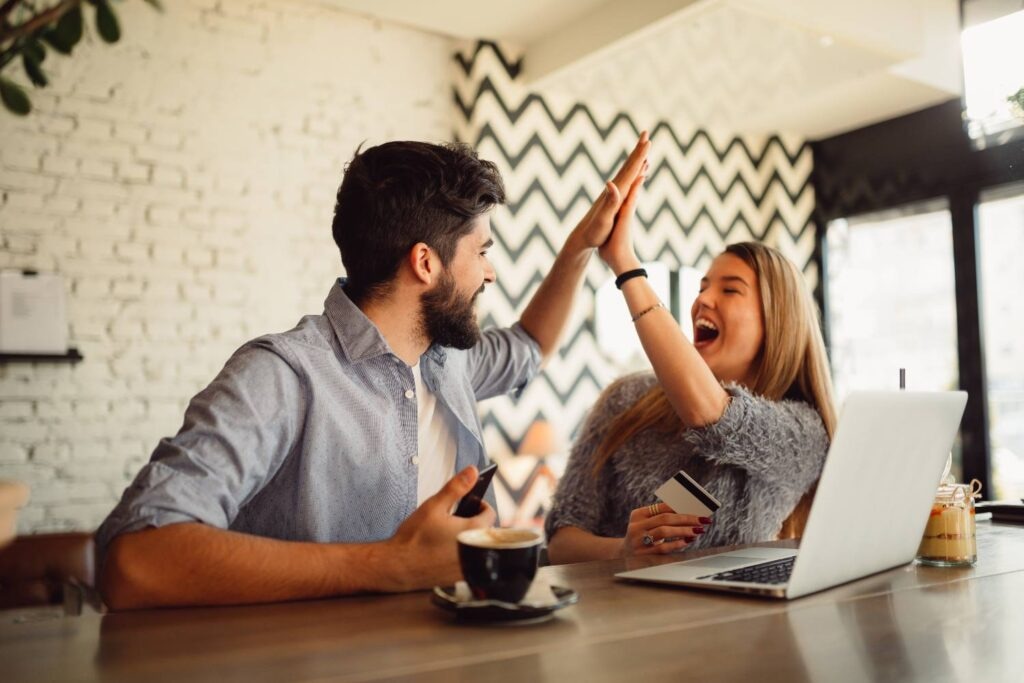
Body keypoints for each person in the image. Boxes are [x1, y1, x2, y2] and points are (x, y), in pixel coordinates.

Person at [97, 134, 651, 609]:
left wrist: (583, 244)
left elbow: (531, 345)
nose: (491, 273)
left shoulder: (449, 360)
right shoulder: (283, 376)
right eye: (481, 251)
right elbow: (135, 560)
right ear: (425, 263)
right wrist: (391, 566)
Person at [545, 166, 836, 564]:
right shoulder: (625, 399)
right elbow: (561, 541)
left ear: (778, 320)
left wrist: (626, 266)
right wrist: (624, 550)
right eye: (702, 287)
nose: (703, 300)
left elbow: (714, 416)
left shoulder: (804, 431)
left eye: (730, 289)